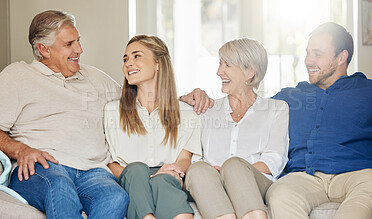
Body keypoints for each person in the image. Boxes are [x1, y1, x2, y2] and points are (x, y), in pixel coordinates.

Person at [181, 22, 372, 218]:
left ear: (341, 57)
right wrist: (189, 99)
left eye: (317, 54)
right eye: (307, 53)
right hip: (303, 177)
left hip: (359, 175)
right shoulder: (288, 97)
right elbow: (248, 105)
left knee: (371, 185)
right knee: (280, 193)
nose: (307, 60)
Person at [0, 10, 129, 218]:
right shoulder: (17, 75)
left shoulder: (95, 77)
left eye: (78, 41)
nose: (79, 49)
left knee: (116, 197)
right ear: (44, 49)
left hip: (93, 170)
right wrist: (20, 149)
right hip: (43, 167)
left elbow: (140, 103)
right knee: (59, 187)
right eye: (69, 44)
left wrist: (186, 98)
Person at [184, 38, 289, 219]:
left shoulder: (276, 108)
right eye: (220, 64)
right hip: (210, 183)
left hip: (255, 181)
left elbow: (275, 159)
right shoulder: (206, 109)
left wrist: (229, 172)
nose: (219, 72)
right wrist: (184, 98)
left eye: (227, 65)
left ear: (249, 73)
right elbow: (170, 116)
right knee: (198, 169)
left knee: (234, 166)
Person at [104, 35, 201, 219]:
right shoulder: (111, 111)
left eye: (136, 56)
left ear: (158, 63)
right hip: (129, 178)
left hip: (168, 178)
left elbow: (184, 158)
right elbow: (109, 161)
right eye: (125, 59)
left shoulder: (187, 113)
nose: (128, 63)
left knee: (163, 181)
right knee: (137, 169)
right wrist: (143, 180)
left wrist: (168, 172)